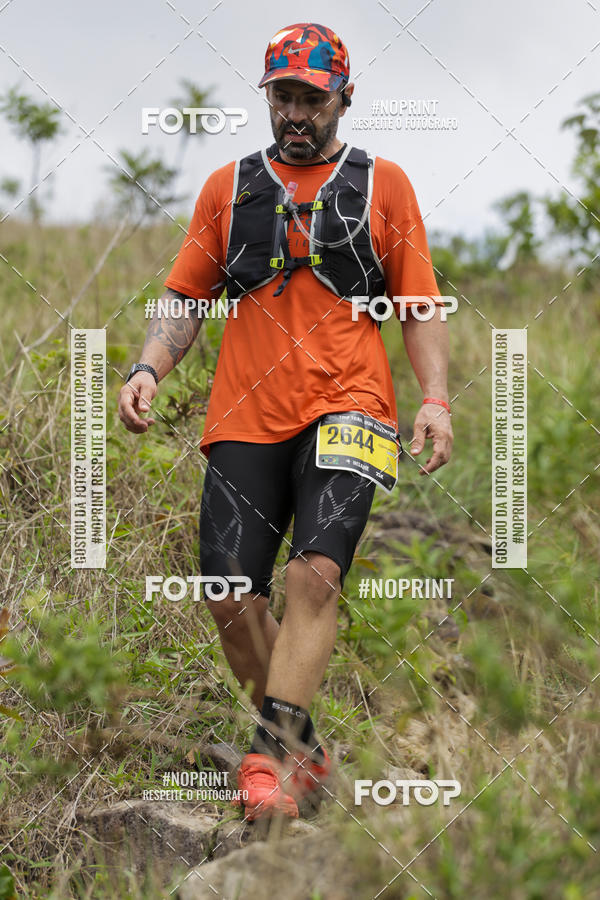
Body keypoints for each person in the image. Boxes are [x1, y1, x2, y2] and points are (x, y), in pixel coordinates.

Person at [118, 21, 453, 822]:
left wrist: (435, 398)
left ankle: (267, 759)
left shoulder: (385, 186)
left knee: (314, 575)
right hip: (246, 410)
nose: (295, 113)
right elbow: (187, 298)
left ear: (343, 98)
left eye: (311, 97)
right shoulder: (227, 190)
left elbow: (417, 303)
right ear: (266, 96)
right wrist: (146, 367)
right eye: (282, 97)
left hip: (354, 405)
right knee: (230, 591)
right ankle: (301, 747)